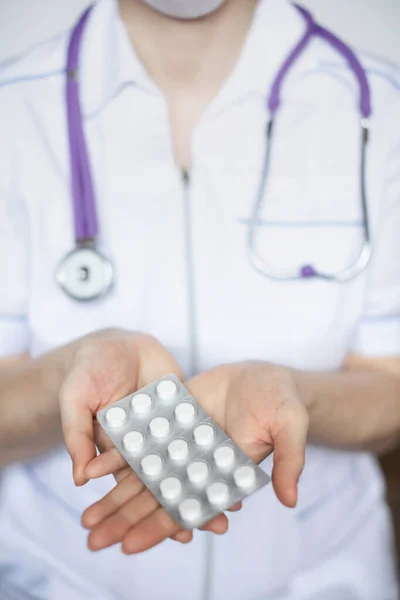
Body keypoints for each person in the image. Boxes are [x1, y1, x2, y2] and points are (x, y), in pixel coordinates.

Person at [0, 0, 399, 598]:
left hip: (320, 581)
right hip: (62, 579)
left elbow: (390, 383)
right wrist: (67, 375)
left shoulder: (379, 106)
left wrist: (296, 397)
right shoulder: (14, 109)